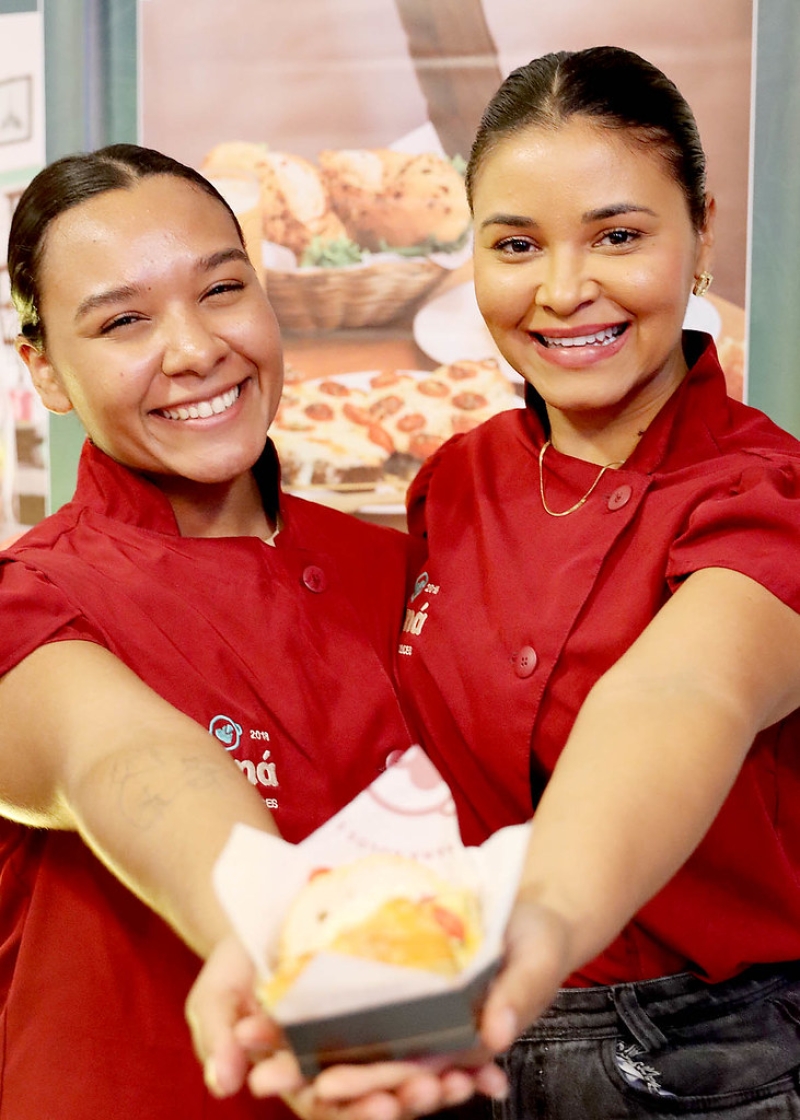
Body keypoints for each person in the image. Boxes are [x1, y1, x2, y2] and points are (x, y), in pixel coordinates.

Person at [189, 46, 800, 1120]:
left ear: (702, 232)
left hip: (705, 1061)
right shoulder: (456, 480)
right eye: (516, 245)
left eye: (618, 236)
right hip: (454, 1038)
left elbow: (679, 697)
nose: (563, 291)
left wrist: (540, 917)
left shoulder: (765, 492)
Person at [0, 143, 418, 1120]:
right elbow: (123, 755)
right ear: (46, 370)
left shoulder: (397, 569)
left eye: (222, 290)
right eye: (124, 321)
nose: (193, 350)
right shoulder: (31, 597)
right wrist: (275, 936)